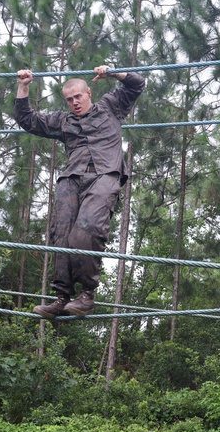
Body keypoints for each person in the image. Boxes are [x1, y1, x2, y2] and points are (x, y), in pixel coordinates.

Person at [15, 65, 146, 318]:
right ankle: (62, 298)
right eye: (69, 99)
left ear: (88, 93)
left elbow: (136, 84)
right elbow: (28, 120)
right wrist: (23, 86)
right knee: (62, 236)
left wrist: (113, 73)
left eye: (78, 97)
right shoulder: (63, 121)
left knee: (85, 231)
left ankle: (86, 295)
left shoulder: (111, 106)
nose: (75, 103)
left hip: (105, 175)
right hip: (71, 179)